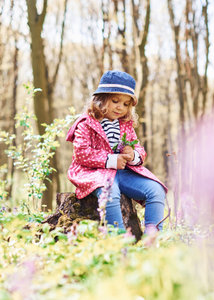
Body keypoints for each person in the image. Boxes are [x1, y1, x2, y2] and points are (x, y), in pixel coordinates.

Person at [66, 70, 167, 232]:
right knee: (110, 192)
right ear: (101, 99)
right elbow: (81, 152)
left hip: (122, 173)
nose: (120, 107)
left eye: (126, 104)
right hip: (93, 172)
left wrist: (133, 154)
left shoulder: (125, 124)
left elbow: (139, 148)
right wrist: (111, 160)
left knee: (156, 189)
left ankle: (152, 237)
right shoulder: (86, 123)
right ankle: (119, 240)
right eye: (115, 101)